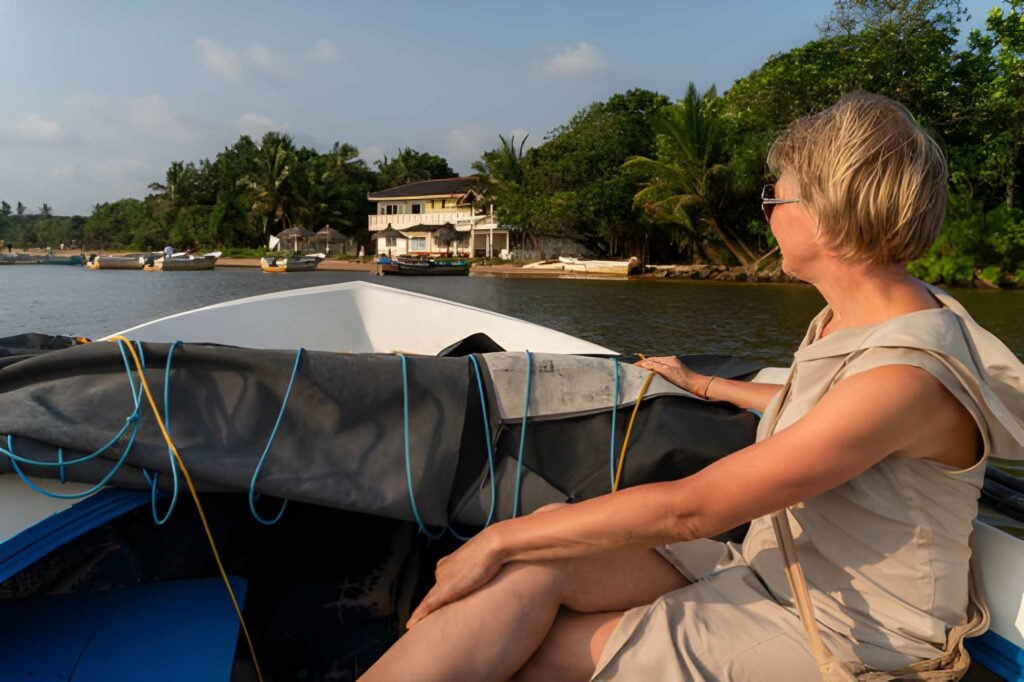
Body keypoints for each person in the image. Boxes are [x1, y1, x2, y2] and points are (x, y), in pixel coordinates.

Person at [361, 92, 1024, 681]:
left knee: (536, 636)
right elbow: (830, 415)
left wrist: (492, 537)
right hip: (775, 567)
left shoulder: (906, 373)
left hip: (852, 634)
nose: (767, 215)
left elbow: (693, 510)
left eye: (774, 198)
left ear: (824, 213)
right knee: (532, 564)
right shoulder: (857, 317)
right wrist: (710, 387)